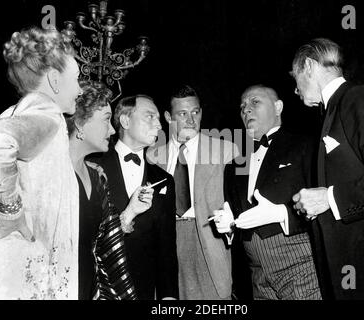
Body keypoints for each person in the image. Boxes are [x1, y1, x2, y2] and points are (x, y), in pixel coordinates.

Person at [291, 38, 364, 299]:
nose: (296, 90)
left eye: (295, 77)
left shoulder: (357, 99)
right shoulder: (333, 110)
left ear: (309, 66)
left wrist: (329, 198)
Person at [0, 27, 81, 299]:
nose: (80, 89)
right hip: (32, 275)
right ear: (55, 80)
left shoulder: (19, 110)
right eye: (77, 79)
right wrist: (11, 213)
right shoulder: (47, 110)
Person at [213, 85, 321, 300]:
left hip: (301, 265)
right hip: (257, 274)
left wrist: (284, 214)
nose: (246, 110)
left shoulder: (306, 146)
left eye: (255, 102)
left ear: (278, 107)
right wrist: (229, 226)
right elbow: (236, 214)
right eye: (243, 106)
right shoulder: (235, 164)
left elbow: (326, 207)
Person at [147, 85, 239, 300]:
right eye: (182, 113)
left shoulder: (227, 151)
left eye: (195, 112)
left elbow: (236, 208)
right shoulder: (151, 156)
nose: (191, 120)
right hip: (166, 242)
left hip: (208, 240)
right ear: (168, 116)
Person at [67, 80, 155, 299]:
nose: (113, 128)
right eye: (106, 119)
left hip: (91, 288)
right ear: (79, 122)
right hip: (60, 286)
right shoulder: (51, 174)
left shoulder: (98, 176)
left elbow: (106, 241)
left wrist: (132, 211)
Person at [96, 95, 178, 300]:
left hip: (144, 290)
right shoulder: (93, 167)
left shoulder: (164, 180)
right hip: (100, 287)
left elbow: (166, 247)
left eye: (158, 118)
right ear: (125, 121)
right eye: (150, 116)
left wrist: (169, 296)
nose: (159, 124)